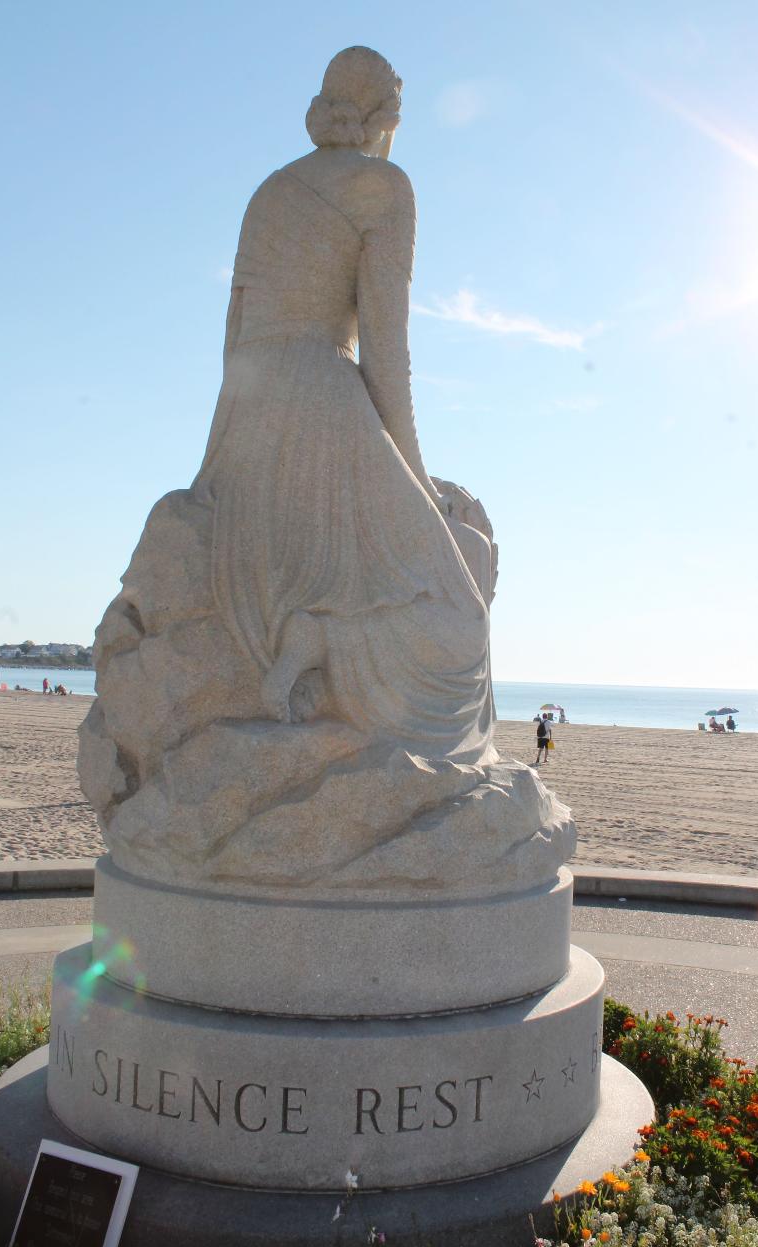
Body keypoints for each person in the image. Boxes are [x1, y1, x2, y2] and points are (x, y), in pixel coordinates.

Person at [190, 47, 491, 761]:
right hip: (323, 401)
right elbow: (385, 352)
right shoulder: (384, 188)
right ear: (386, 118)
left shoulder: (269, 191)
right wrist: (416, 479)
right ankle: (324, 637)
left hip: (245, 413)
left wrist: (221, 462)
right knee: (461, 618)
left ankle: (309, 641)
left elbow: (233, 334)